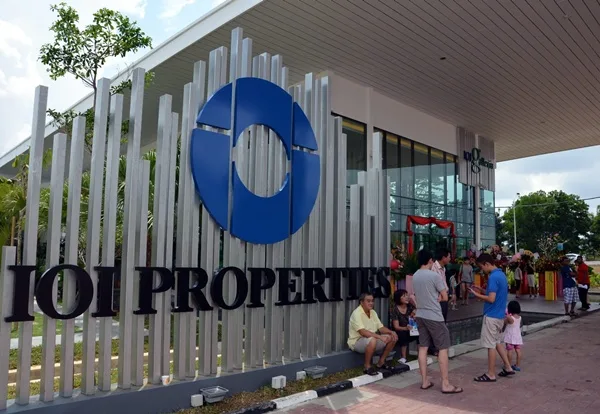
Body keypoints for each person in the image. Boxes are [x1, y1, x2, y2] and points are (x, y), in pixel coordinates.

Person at [413, 249, 463, 394]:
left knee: (423, 347)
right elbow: (445, 296)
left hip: (420, 314)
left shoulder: (415, 276)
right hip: (434, 316)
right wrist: (439, 298)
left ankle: (424, 381)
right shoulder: (434, 276)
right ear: (430, 260)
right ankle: (445, 384)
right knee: (443, 348)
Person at [470, 253, 515, 382]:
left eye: (481, 267)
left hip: (491, 316)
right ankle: (508, 367)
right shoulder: (501, 275)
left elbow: (491, 299)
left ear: (487, 264)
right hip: (499, 316)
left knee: (491, 345)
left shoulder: (493, 277)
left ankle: (491, 374)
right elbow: (495, 294)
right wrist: (481, 290)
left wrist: (476, 295)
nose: (481, 270)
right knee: (497, 342)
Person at [348, 293, 398, 375]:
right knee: (372, 340)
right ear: (361, 302)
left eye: (372, 301)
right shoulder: (356, 313)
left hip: (371, 339)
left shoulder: (373, 312)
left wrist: (391, 332)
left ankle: (381, 363)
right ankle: (367, 367)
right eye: (368, 301)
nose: (371, 303)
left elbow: (381, 328)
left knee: (392, 337)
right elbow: (363, 332)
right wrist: (380, 337)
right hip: (357, 342)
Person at [391, 289, 418, 364]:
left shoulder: (410, 306)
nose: (407, 297)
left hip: (410, 328)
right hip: (400, 330)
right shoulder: (395, 309)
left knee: (420, 333)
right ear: (398, 298)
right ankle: (403, 357)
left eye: (407, 295)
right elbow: (396, 327)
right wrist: (406, 328)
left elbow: (415, 315)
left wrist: (415, 314)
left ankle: (421, 355)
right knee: (403, 334)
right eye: (404, 296)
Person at [504, 300, 523, 372]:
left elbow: (504, 322)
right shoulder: (519, 317)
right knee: (518, 350)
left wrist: (506, 314)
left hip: (510, 337)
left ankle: (508, 365)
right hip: (517, 337)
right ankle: (517, 365)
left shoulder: (510, 318)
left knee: (509, 350)